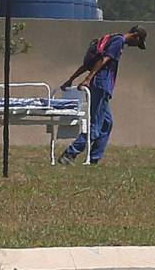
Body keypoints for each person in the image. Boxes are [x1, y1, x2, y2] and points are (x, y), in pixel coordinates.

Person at [57, 25, 148, 165]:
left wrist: (71, 79)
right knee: (95, 126)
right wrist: (87, 79)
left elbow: (87, 65)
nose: (135, 45)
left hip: (99, 85)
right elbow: (103, 60)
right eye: (138, 42)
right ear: (135, 36)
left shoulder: (112, 38)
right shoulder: (118, 42)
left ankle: (94, 158)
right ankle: (70, 154)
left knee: (106, 123)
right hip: (101, 85)